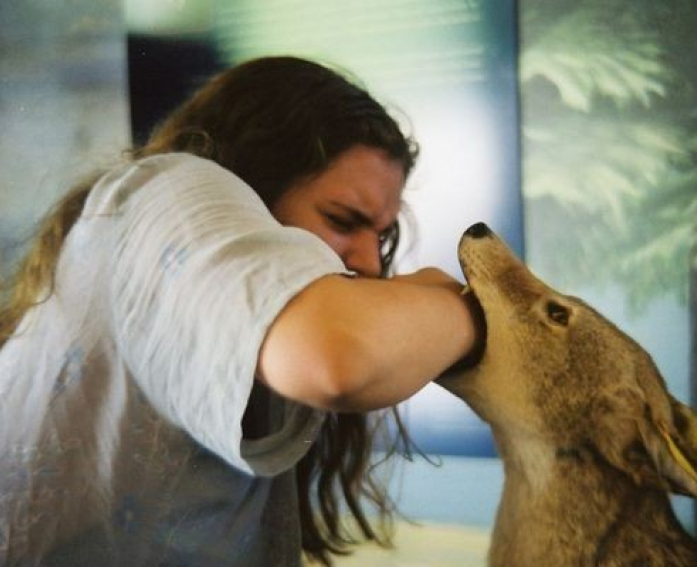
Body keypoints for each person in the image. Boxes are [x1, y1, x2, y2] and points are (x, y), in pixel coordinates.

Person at [0, 56, 484, 566]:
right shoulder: (171, 190)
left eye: (381, 237)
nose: (368, 261)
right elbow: (336, 355)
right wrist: (468, 303)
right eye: (343, 220)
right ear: (251, 183)